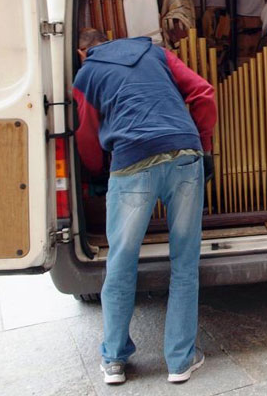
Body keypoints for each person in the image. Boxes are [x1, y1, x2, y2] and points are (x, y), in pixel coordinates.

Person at [73, 29, 216, 385]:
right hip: (184, 153)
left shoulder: (87, 73)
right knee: (185, 264)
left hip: (132, 161)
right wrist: (205, 145)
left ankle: (114, 360)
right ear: (109, 38)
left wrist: (96, 172)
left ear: (81, 50)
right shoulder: (156, 53)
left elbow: (86, 134)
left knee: (121, 262)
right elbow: (204, 93)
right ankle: (180, 361)